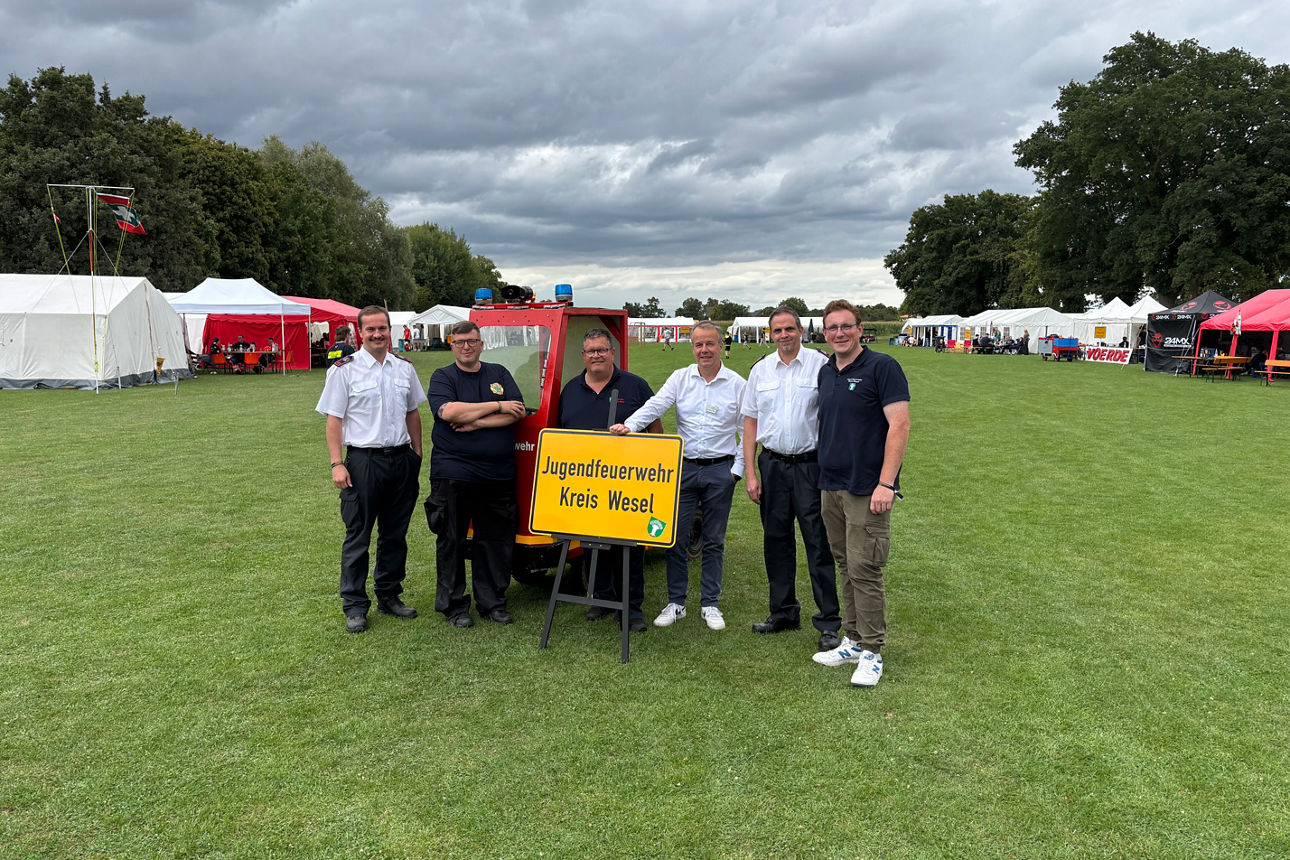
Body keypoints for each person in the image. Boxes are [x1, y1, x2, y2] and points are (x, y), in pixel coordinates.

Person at [611, 321, 745, 631]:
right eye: (698, 344)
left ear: (719, 344)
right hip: (683, 469)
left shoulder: (738, 384)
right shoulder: (680, 378)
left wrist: (735, 472)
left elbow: (746, 431)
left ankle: (710, 603)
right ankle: (676, 602)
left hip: (720, 469)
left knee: (713, 540)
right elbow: (656, 405)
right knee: (675, 538)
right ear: (692, 347)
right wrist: (629, 425)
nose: (704, 350)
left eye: (710, 344)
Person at [812, 299, 910, 688]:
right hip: (831, 484)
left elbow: (899, 425)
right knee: (845, 564)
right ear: (824, 332)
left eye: (846, 326)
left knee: (865, 567)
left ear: (859, 328)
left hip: (867, 488)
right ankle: (851, 640)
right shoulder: (826, 372)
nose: (839, 333)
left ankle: (872, 650)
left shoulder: (882, 367)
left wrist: (886, 483)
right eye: (832, 327)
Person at [316, 306, 426, 634]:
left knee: (395, 535)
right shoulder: (344, 370)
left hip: (400, 460)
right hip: (363, 462)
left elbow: (412, 412)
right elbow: (334, 420)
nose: (377, 334)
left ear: (390, 330)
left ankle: (389, 595)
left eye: (382, 328)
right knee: (359, 535)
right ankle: (354, 605)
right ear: (359, 332)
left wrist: (417, 453)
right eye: (370, 330)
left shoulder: (404, 368)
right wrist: (337, 463)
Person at [741, 307, 841, 651]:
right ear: (771, 335)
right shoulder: (761, 370)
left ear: (801, 330)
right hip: (772, 465)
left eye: (789, 329)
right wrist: (751, 472)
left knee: (818, 543)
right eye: (777, 330)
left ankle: (828, 621)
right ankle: (783, 612)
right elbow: (750, 421)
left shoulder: (821, 365)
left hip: (811, 467)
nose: (783, 335)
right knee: (776, 541)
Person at [557, 329, 662, 633]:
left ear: (613, 353)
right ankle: (601, 599)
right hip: (586, 485)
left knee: (628, 547)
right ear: (583, 356)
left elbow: (655, 426)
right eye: (591, 351)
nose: (597, 356)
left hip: (628, 485)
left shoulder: (636, 385)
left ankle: (632, 609)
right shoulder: (571, 389)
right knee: (592, 545)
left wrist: (655, 464)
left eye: (602, 350)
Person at [424, 320, 526, 628]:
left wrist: (477, 421)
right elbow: (449, 412)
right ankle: (454, 606)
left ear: (481, 344)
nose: (466, 346)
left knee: (495, 540)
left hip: (497, 473)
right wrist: (496, 405)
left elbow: (516, 412)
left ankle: (492, 602)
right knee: (451, 539)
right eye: (460, 342)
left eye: (472, 341)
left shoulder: (499, 373)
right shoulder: (443, 376)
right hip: (454, 471)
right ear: (451, 345)